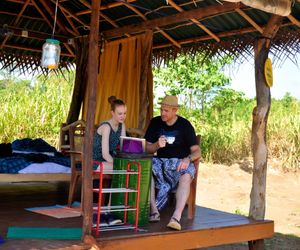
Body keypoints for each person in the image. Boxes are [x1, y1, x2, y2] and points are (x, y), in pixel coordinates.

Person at [144, 95, 200, 231]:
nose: (162, 113)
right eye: (161, 109)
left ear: (175, 110)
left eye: (166, 111)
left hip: (180, 164)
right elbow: (147, 147)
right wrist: (157, 145)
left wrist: (188, 159)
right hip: (161, 164)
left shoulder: (185, 125)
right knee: (146, 168)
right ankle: (154, 211)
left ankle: (176, 217)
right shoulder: (155, 122)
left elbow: (197, 151)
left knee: (186, 175)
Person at [93, 95, 127, 170]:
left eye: (124, 113)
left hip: (108, 160)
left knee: (131, 166)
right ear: (112, 113)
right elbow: (105, 154)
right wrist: (119, 164)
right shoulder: (106, 127)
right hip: (95, 161)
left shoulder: (122, 125)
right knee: (122, 168)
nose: (123, 116)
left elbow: (124, 147)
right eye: (120, 113)